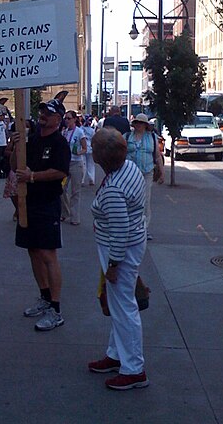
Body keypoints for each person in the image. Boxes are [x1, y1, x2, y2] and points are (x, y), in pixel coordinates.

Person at [88, 127, 149, 391]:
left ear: (100, 157)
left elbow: (119, 229)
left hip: (120, 251)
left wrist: (113, 265)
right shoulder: (129, 168)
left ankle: (134, 369)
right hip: (130, 244)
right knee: (119, 305)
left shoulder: (113, 188)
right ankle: (116, 355)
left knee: (124, 308)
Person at [12, 99, 70, 331]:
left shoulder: (59, 143)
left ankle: (55, 310)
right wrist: (16, 147)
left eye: (49, 113)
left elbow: (60, 171)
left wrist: (33, 177)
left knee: (48, 254)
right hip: (28, 204)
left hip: (47, 204)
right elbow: (16, 167)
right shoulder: (32, 140)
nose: (43, 115)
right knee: (33, 251)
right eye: (42, 111)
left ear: (58, 119)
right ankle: (44, 298)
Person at [124, 113, 165, 240]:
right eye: (136, 123)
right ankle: (130, 228)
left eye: (141, 123)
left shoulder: (152, 137)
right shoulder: (127, 137)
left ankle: (143, 229)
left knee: (145, 200)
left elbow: (157, 156)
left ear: (146, 125)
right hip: (130, 173)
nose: (138, 125)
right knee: (130, 200)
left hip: (147, 172)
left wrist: (162, 172)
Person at [61, 110, 87, 225]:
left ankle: (75, 217)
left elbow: (85, 148)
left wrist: (79, 152)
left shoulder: (79, 132)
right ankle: (65, 212)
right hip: (66, 163)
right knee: (61, 188)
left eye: (69, 118)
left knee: (75, 191)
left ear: (74, 119)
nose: (67, 121)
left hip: (76, 163)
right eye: (65, 118)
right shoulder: (64, 132)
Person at [82, 115, 96, 186]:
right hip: (90, 148)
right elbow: (94, 140)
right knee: (91, 164)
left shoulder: (80, 129)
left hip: (82, 148)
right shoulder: (92, 130)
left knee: (83, 164)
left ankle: (82, 180)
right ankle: (91, 179)